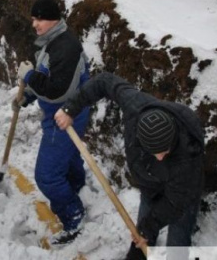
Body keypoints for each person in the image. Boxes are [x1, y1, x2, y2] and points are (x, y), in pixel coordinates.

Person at [54, 72, 204, 260]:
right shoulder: (135, 106)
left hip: (183, 192)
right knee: (141, 235)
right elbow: (104, 81)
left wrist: (147, 229)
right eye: (154, 152)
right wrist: (71, 109)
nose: (159, 158)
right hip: (151, 184)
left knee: (178, 237)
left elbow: (175, 203)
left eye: (164, 151)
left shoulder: (187, 155)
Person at [15, 0, 91, 245]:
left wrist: (29, 77)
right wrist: (27, 93)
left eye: (40, 19)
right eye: (34, 18)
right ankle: (75, 186)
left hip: (67, 116)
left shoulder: (66, 47)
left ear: (55, 19)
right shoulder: (48, 42)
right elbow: (44, 75)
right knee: (67, 158)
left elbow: (59, 91)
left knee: (46, 175)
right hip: (55, 112)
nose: (35, 23)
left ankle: (73, 214)